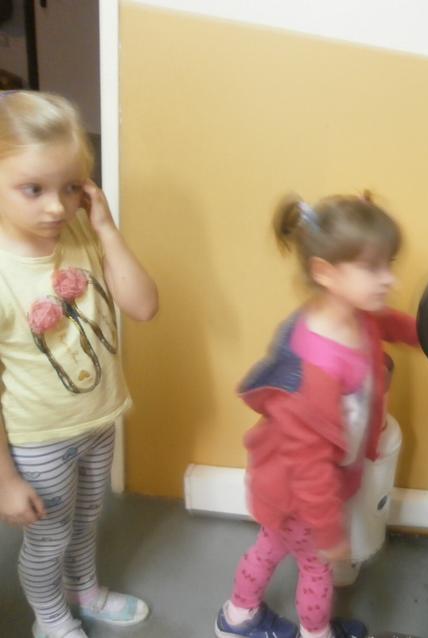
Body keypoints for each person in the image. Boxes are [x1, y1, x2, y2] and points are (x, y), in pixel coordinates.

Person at [215, 193, 428, 638]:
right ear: (325, 273)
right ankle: (316, 633)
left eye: (389, 264)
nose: (389, 279)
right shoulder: (316, 373)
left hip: (292, 485)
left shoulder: (355, 317)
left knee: (269, 547)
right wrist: (330, 534)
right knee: (317, 568)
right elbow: (310, 468)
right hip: (299, 495)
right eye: (372, 268)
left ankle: (237, 616)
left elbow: (391, 324)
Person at [0, 90, 158, 638]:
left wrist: (106, 229)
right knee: (49, 537)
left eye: (71, 188)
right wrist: (4, 479)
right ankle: (50, 619)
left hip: (97, 421)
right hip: (38, 438)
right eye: (34, 189)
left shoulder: (80, 236)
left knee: (87, 519)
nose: (56, 207)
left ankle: (83, 591)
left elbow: (143, 306)